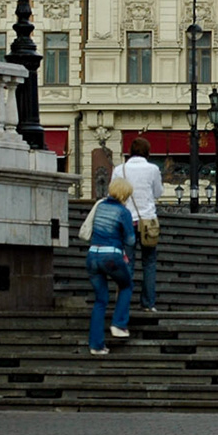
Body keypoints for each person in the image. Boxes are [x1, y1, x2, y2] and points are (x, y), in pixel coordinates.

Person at [85, 177, 136, 356]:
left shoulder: (100, 206)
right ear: (124, 194)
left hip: (92, 256)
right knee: (126, 285)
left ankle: (96, 345)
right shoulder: (123, 212)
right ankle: (119, 324)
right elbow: (130, 239)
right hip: (111, 256)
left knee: (100, 301)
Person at [119, 137, 164, 313]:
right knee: (149, 262)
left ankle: (125, 302)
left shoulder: (119, 169)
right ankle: (148, 303)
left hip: (126, 220)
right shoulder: (153, 169)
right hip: (148, 221)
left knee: (127, 262)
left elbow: (113, 191)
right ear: (147, 151)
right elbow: (158, 193)